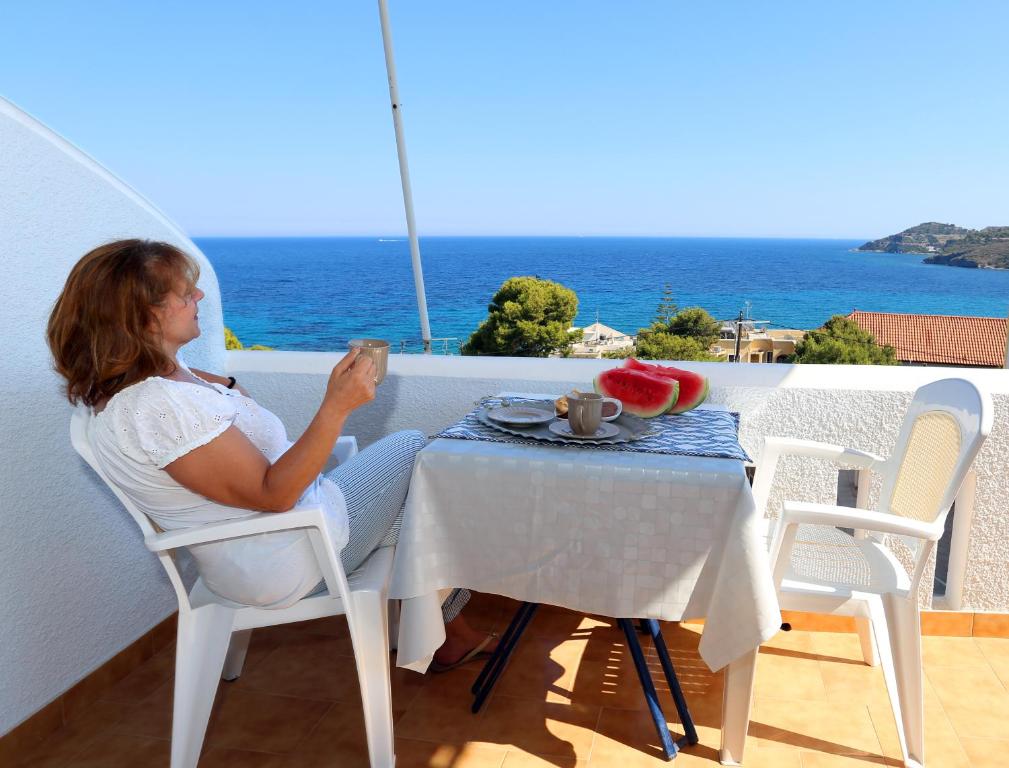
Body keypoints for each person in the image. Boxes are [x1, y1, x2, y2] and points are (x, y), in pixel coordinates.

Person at [46, 239, 495, 671]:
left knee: (410, 510)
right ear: (145, 318)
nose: (199, 295)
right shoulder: (157, 406)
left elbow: (235, 427)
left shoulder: (157, 383)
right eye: (185, 294)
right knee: (413, 448)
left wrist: (208, 379)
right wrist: (336, 406)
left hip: (261, 548)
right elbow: (274, 493)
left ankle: (449, 634)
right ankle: (444, 632)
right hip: (286, 560)